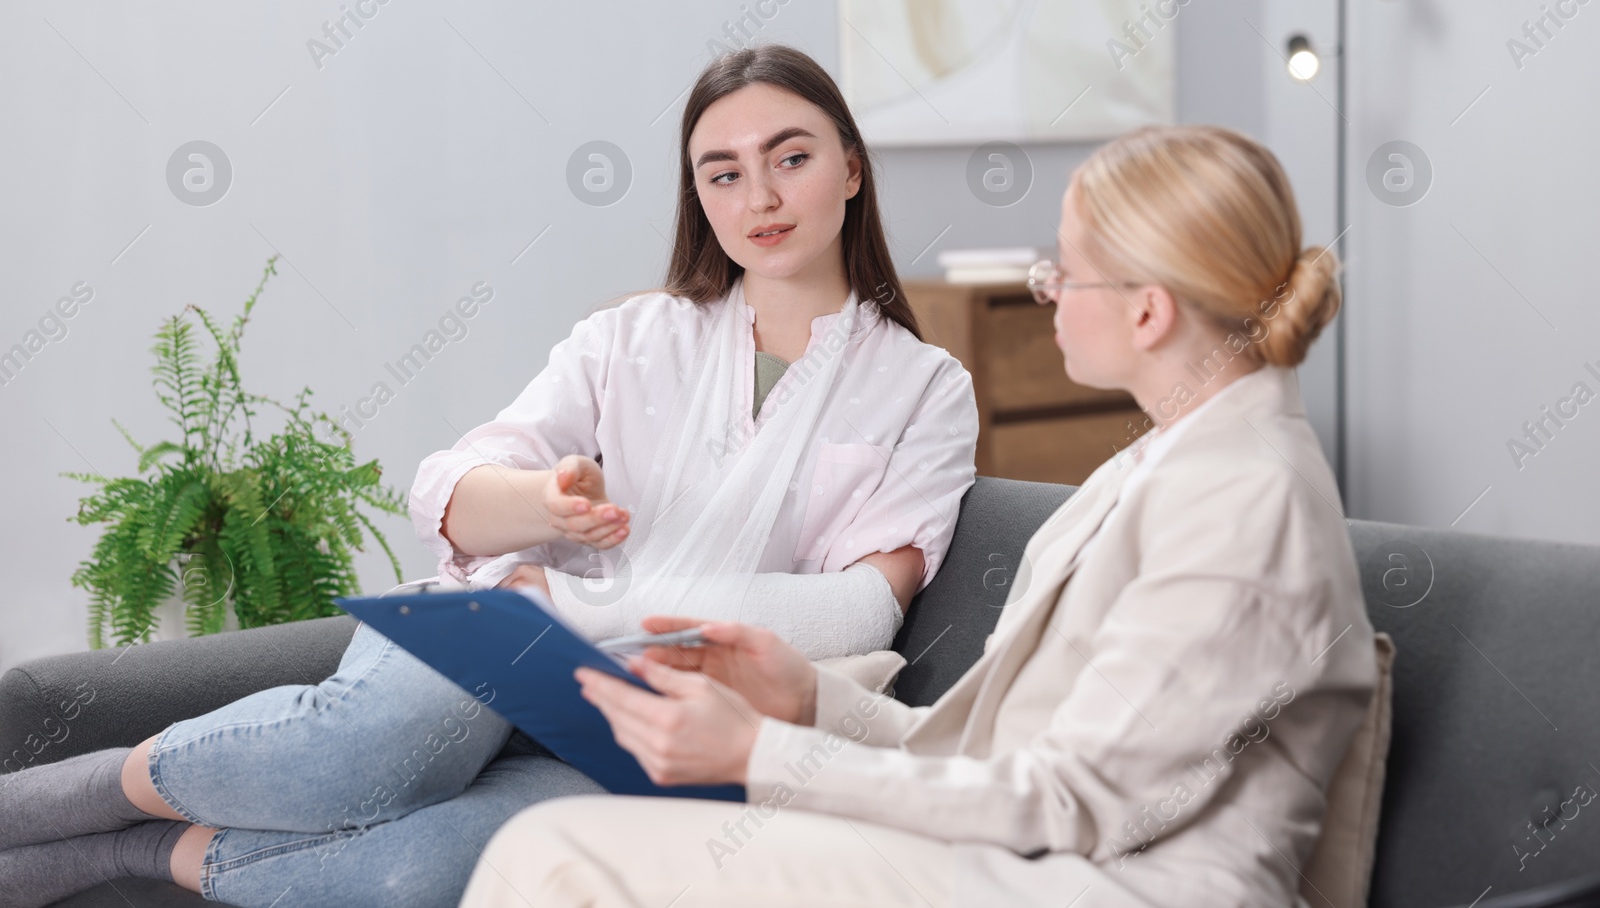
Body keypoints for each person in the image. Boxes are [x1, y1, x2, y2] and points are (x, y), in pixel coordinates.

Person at [0, 45, 978, 908]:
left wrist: (587, 608)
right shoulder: (631, 339)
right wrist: (541, 504)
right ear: (699, 197)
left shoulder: (922, 388)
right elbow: (455, 486)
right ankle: (44, 805)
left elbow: (857, 612)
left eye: (790, 158)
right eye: (722, 173)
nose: (759, 197)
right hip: (497, 639)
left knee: (410, 876)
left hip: (652, 728)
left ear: (850, 166)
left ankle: (124, 852)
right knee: (351, 751)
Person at [458, 124, 1379, 908]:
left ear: (1147, 312)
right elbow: (1008, 759)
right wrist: (809, 702)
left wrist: (763, 751)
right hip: (1043, 862)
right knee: (559, 843)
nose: (1045, 288)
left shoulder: (1242, 501)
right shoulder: (1166, 463)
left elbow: (1072, 802)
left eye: (1068, 269)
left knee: (554, 853)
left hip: (1114, 886)